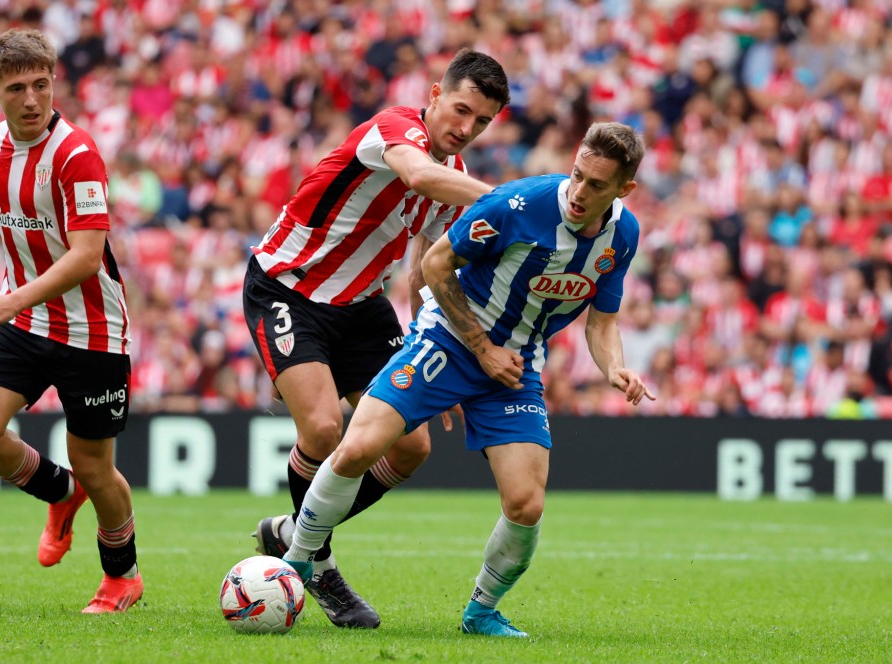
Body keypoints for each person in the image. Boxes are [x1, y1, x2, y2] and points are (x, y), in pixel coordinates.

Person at [281, 122, 655, 637]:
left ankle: (481, 611)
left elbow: (602, 321)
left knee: (526, 504)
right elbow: (435, 265)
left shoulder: (624, 235)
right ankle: (297, 561)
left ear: (623, 190)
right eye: (577, 175)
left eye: (596, 185)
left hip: (515, 366)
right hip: (451, 341)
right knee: (358, 446)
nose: (579, 192)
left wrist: (615, 367)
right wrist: (481, 347)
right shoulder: (520, 205)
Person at [244, 48, 510, 628]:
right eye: (461, 110)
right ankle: (318, 566)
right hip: (288, 288)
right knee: (322, 428)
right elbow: (414, 174)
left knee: (410, 448)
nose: (466, 129)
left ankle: (293, 535)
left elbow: (426, 273)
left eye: (483, 122)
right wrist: (511, 203)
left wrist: (435, 349)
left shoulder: (455, 179)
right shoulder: (394, 129)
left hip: (362, 306)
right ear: (436, 93)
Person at [0, 29, 142, 614]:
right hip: (23, 320)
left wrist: (12, 299)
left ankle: (122, 577)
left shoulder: (78, 155)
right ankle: (57, 491)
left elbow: (85, 254)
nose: (32, 99)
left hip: (92, 333)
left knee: (97, 467)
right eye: (18, 88)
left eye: (42, 85)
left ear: (55, 84)